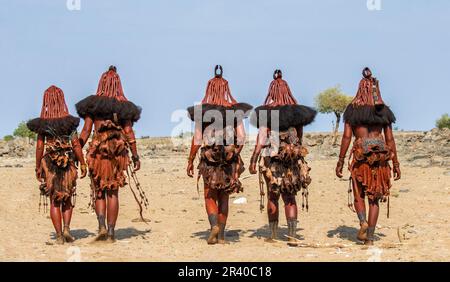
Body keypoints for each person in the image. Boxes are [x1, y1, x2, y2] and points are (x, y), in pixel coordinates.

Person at [249, 70, 316, 245]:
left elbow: (261, 139)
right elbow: (299, 138)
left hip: (272, 160)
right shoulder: (297, 113)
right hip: (292, 161)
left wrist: (253, 159)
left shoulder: (266, 113)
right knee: (290, 197)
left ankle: (272, 235)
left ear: (271, 91)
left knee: (273, 196)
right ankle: (292, 236)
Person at [186, 65, 252, 244]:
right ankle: (221, 236)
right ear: (226, 89)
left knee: (209, 195)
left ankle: (214, 226)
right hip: (228, 161)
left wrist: (190, 161)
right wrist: (234, 153)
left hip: (209, 161)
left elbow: (197, 139)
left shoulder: (203, 112)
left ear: (209, 89)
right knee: (224, 196)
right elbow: (242, 137)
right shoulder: (234, 111)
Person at [76, 66, 142, 242]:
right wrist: (135, 156)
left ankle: (101, 227)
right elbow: (129, 133)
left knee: (99, 190)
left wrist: (77, 149)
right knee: (113, 191)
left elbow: (85, 131)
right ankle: (112, 233)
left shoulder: (93, 105)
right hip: (117, 154)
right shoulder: (124, 108)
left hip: (98, 153)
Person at [336, 67, 401, 245]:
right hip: (380, 156)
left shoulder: (352, 110)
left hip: (360, 156)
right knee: (374, 198)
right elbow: (390, 139)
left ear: (359, 89)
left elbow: (347, 137)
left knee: (359, 194)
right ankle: (370, 239)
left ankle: (363, 222)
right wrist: (395, 163)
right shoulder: (383, 111)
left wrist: (341, 161)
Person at [27, 85, 87, 244]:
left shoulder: (43, 124)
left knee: (55, 200)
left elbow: (40, 147)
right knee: (67, 197)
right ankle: (67, 229)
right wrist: (82, 163)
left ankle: (59, 236)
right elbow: (76, 144)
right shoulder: (70, 122)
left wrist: (38, 167)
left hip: (50, 163)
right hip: (67, 161)